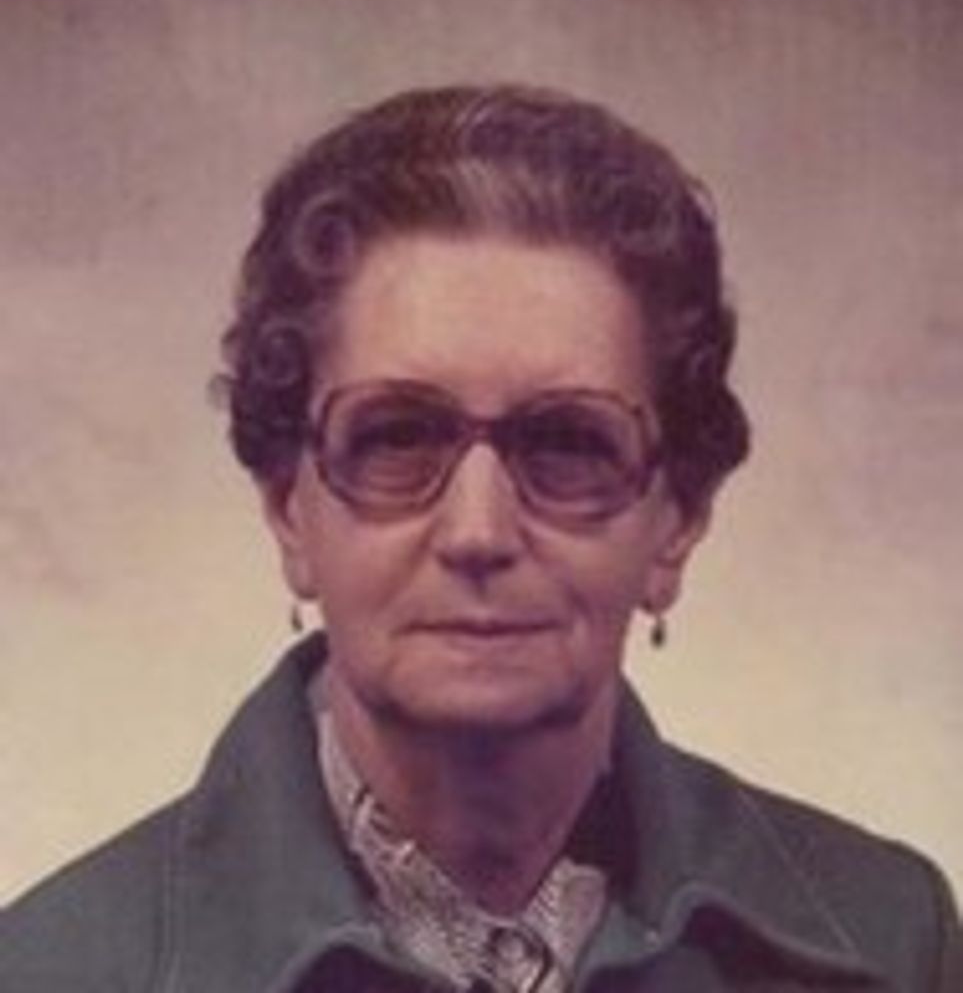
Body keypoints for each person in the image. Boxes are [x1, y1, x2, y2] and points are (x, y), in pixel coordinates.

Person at [2, 84, 960, 993]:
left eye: (567, 445)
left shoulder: (885, 944)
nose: (478, 531)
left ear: (675, 520)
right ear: (289, 508)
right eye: (396, 439)